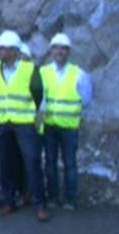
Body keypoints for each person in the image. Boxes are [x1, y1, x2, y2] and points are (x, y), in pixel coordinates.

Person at [0, 30, 49, 222]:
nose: (0, 52)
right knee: (5, 163)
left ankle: (40, 203)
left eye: (4, 49)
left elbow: (38, 92)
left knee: (32, 162)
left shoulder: (29, 69)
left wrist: (35, 114)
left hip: (24, 124)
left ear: (14, 51)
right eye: (0, 48)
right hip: (2, 123)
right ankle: (9, 201)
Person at [40, 33, 92, 211]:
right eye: (56, 48)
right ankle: (53, 197)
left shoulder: (79, 74)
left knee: (70, 164)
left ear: (68, 52)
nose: (59, 52)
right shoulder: (43, 72)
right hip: (50, 126)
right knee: (50, 163)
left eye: (63, 49)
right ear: (51, 51)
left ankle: (70, 199)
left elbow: (85, 100)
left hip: (69, 128)